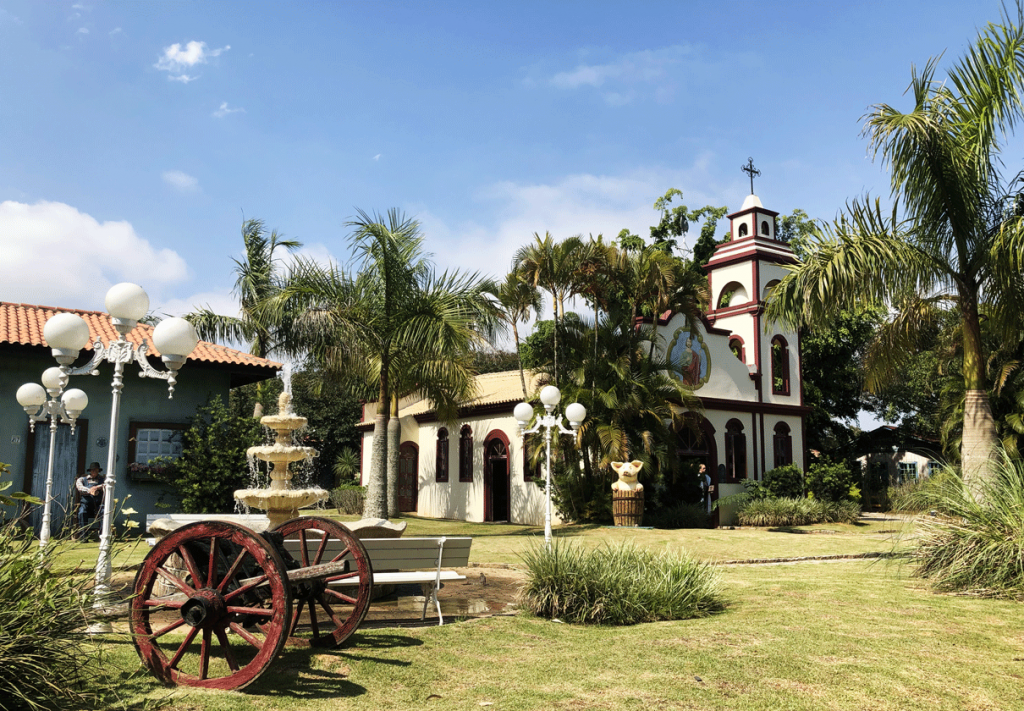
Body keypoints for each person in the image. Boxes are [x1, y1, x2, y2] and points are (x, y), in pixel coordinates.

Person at [76, 461, 104, 535]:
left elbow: (107, 485)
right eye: (93, 470)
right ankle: (83, 536)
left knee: (104, 512)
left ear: (99, 471)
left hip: (98, 504)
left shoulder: (102, 479)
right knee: (82, 512)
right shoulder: (82, 479)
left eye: (96, 470)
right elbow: (80, 487)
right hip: (86, 504)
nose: (95, 471)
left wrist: (97, 487)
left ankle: (102, 535)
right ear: (90, 471)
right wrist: (90, 490)